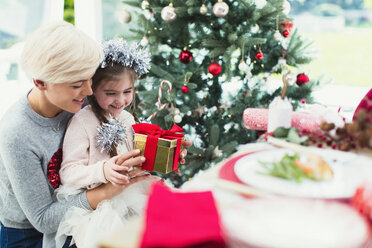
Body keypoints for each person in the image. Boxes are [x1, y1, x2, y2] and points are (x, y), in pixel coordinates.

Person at [0, 21, 150, 248]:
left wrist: (162, 151)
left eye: (90, 79)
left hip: (84, 215)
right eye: (78, 84)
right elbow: (43, 219)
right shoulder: (17, 133)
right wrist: (107, 191)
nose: (90, 91)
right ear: (40, 82)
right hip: (28, 234)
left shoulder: (77, 100)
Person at [55, 38, 159, 247]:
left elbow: (134, 158)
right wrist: (103, 170)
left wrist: (164, 156)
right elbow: (68, 172)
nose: (120, 101)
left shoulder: (127, 118)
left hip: (130, 195)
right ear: (92, 88)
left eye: (127, 92)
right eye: (111, 93)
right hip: (99, 207)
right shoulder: (82, 121)